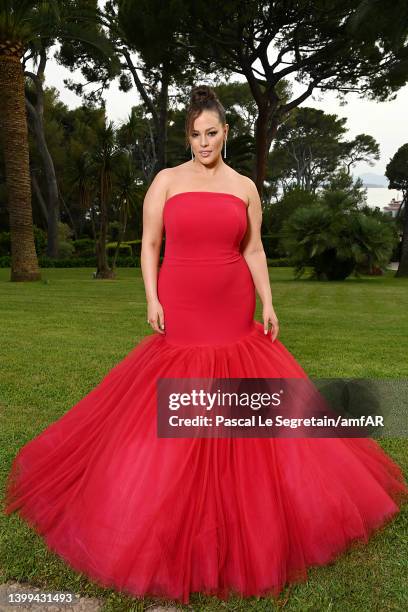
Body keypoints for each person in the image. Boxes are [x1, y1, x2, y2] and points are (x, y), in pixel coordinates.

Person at [3, 85, 408, 606]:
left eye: (211, 133)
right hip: (182, 310)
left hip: (234, 311)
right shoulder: (166, 181)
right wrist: (150, 296)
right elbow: (150, 245)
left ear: (226, 132)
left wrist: (268, 302)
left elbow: (255, 248)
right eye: (195, 134)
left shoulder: (244, 186)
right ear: (187, 135)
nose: (202, 142)